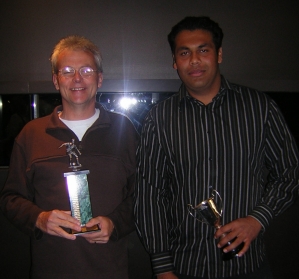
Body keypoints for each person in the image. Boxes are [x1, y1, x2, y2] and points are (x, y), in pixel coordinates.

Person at [134, 16, 299, 279]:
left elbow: (291, 172)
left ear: (219, 54)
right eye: (185, 52)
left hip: (249, 267)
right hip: (184, 268)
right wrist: (162, 267)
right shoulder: (159, 118)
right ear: (175, 62)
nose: (195, 60)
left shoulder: (259, 108)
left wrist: (257, 219)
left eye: (204, 50)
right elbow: (149, 195)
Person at [0, 35, 138, 279]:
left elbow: (142, 195)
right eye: (67, 71)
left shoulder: (124, 131)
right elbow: (10, 198)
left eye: (86, 70)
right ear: (55, 80)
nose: (77, 78)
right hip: (50, 270)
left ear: (100, 78)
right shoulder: (31, 133)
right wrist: (39, 219)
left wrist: (115, 223)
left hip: (110, 269)